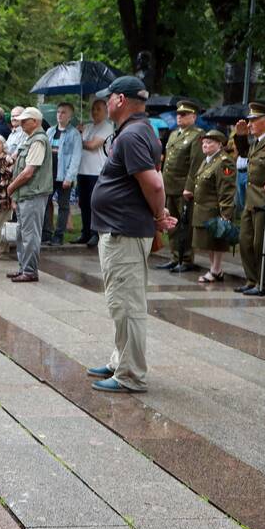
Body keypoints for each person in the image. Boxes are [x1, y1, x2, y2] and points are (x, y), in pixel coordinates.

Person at [87, 76, 176, 393]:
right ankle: (119, 361)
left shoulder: (133, 134)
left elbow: (154, 183)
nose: (104, 102)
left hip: (124, 231)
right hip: (118, 228)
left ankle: (131, 375)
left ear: (120, 100)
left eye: (107, 98)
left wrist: (158, 217)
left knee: (128, 305)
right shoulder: (134, 131)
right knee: (119, 302)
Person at [233, 101, 265, 295]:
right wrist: (241, 136)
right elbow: (245, 154)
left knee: (263, 244)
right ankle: (252, 279)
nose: (249, 124)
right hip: (251, 198)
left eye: (254, 120)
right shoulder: (258, 142)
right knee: (245, 241)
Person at [6, 107, 53, 283]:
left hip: (33, 193)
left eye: (25, 120)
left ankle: (30, 271)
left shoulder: (38, 140)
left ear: (35, 121)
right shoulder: (30, 139)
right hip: (27, 194)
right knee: (23, 234)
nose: (21, 123)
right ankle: (24, 268)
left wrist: (11, 188)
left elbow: (28, 172)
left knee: (30, 235)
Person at [157, 100, 204, 272]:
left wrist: (190, 187)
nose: (179, 117)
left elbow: (195, 163)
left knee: (185, 225)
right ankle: (175, 256)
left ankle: (186, 258)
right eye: (178, 114)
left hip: (184, 187)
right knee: (172, 224)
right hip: (169, 186)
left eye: (184, 115)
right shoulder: (174, 134)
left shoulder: (197, 135)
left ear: (193, 116)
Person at [186, 130, 236, 283]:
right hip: (203, 209)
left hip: (215, 209)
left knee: (216, 242)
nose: (205, 145)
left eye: (210, 143)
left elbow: (226, 190)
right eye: (204, 143)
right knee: (208, 242)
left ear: (220, 144)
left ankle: (215, 270)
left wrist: (225, 214)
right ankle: (215, 269)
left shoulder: (224, 162)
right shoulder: (208, 159)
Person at [74, 98, 112, 248]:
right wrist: (78, 133)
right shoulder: (88, 127)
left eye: (99, 109)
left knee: (95, 203)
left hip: (97, 171)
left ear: (106, 111)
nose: (95, 112)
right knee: (83, 203)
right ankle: (85, 232)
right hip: (82, 170)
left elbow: (92, 145)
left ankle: (96, 233)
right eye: (93, 109)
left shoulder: (107, 127)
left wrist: (78, 138)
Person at [43, 103, 82, 245]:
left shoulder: (74, 134)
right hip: (49, 174)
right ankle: (46, 233)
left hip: (64, 175)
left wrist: (69, 177)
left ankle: (59, 235)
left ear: (70, 116)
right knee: (46, 203)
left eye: (64, 112)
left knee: (63, 206)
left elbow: (76, 157)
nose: (60, 115)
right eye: (58, 112)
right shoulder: (50, 131)